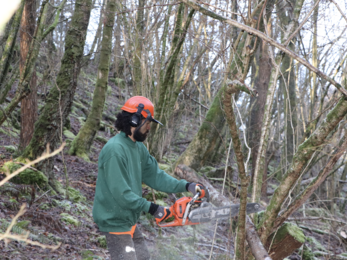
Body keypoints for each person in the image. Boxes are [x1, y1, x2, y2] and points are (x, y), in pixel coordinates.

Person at [92, 96, 207, 260]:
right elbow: (121, 193)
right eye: (147, 123)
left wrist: (187, 186)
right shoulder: (115, 150)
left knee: (143, 257)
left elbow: (156, 177)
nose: (149, 128)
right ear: (134, 120)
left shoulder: (138, 147)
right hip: (115, 221)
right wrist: (154, 208)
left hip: (128, 219)